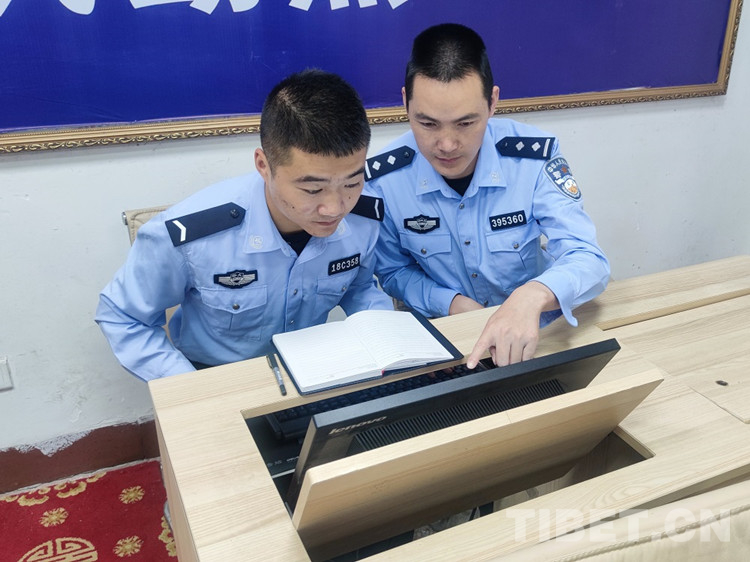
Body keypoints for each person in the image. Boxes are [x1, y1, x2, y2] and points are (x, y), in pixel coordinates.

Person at [96, 69, 393, 382]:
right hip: (217, 379)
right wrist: (190, 387)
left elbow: (359, 287)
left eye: (352, 183)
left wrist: (390, 342)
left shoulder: (362, 217)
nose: (335, 207)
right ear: (264, 165)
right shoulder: (196, 235)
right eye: (312, 189)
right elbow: (122, 316)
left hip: (314, 372)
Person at [369, 23, 610, 370]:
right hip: (450, 345)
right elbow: (393, 270)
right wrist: (450, 303)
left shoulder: (532, 159)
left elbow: (588, 258)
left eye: (465, 123)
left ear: (493, 102)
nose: (447, 144)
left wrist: (531, 296)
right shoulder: (384, 179)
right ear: (406, 102)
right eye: (428, 124)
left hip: (537, 336)